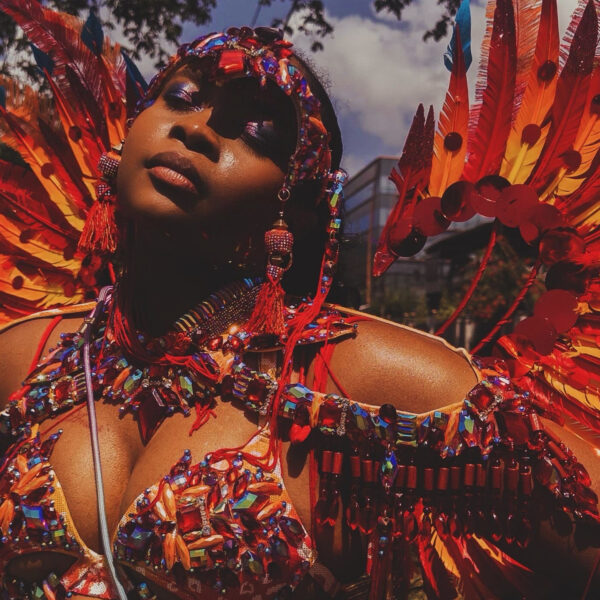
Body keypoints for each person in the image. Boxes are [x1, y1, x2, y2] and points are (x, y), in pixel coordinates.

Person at [0, 6, 599, 600]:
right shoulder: (30, 353)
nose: (198, 129)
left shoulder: (351, 377)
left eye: (257, 133)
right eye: (180, 96)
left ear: (300, 209)